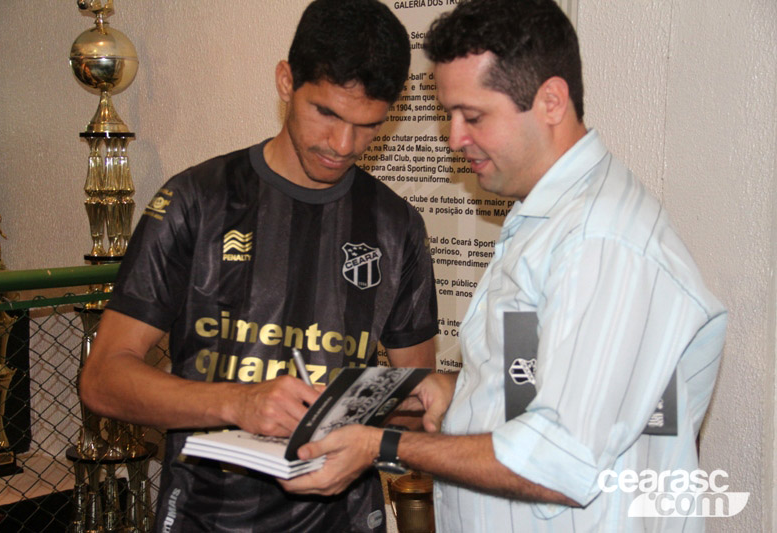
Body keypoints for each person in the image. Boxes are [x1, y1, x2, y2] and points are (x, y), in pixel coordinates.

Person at [280, 0, 728, 531]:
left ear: (551, 102)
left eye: (473, 116)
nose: (454, 139)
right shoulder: (546, 220)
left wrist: (386, 444)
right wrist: (467, 394)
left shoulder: (602, 242)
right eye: (450, 115)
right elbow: (540, 389)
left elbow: (558, 462)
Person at [79, 1, 438, 531]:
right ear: (286, 81)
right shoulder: (194, 201)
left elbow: (416, 400)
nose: (344, 146)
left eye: (368, 126)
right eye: (327, 113)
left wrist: (372, 426)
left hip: (342, 520)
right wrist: (238, 402)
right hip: (205, 517)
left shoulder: (397, 227)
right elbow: (104, 379)